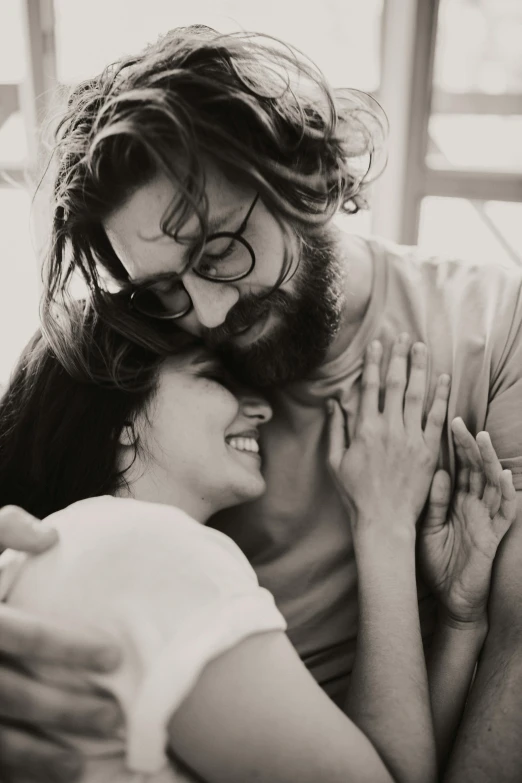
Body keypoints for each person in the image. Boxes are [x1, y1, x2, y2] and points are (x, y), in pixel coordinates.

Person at [1, 25, 522, 782]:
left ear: (301, 174)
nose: (208, 314)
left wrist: (459, 618)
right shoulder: (156, 378)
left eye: (219, 253)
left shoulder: (496, 324)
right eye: (165, 288)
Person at [0, 314, 515, 782]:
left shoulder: (77, 550)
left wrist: (460, 624)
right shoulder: (148, 549)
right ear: (121, 420)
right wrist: (383, 524)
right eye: (214, 378)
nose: (264, 408)